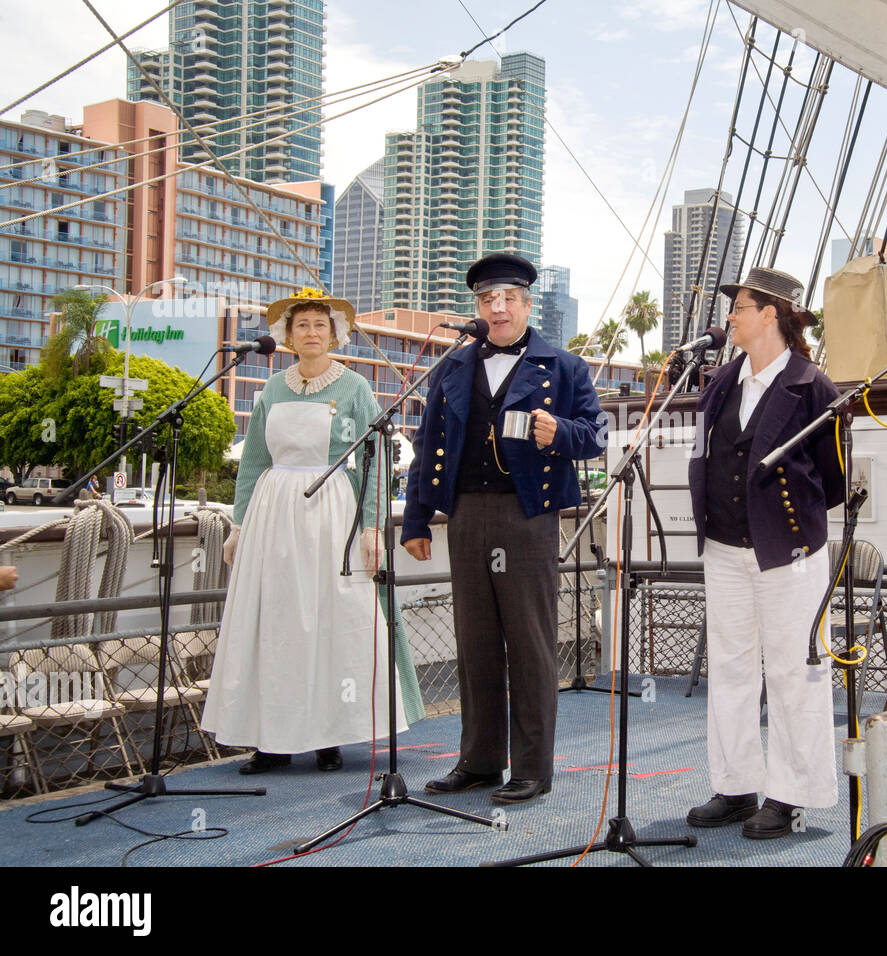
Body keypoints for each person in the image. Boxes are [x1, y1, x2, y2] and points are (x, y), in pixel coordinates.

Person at [401, 253, 605, 804]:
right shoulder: (451, 367)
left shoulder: (562, 367)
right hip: (466, 514)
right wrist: (416, 520)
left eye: (508, 298)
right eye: (488, 299)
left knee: (531, 643)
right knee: (475, 643)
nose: (498, 307)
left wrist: (557, 431)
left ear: (527, 303)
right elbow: (426, 448)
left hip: (527, 516)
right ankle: (481, 760)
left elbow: (594, 436)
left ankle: (532, 768)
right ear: (477, 307)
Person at [202, 289, 424, 774]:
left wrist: (371, 526)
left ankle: (330, 735)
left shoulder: (354, 389)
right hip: (274, 518)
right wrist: (239, 525)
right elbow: (254, 463)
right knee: (275, 623)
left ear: (333, 334)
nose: (310, 333)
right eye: (301, 325)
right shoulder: (272, 389)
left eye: (319, 326)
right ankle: (272, 740)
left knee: (332, 620)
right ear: (287, 335)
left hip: (332, 514)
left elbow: (374, 461)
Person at [685, 267, 844, 840]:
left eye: (741, 307)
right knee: (729, 669)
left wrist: (786, 525)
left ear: (771, 315)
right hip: (724, 549)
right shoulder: (720, 382)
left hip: (789, 552)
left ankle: (789, 793)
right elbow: (705, 456)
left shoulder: (812, 386)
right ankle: (735, 786)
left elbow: (832, 480)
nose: (731, 317)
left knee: (792, 670)